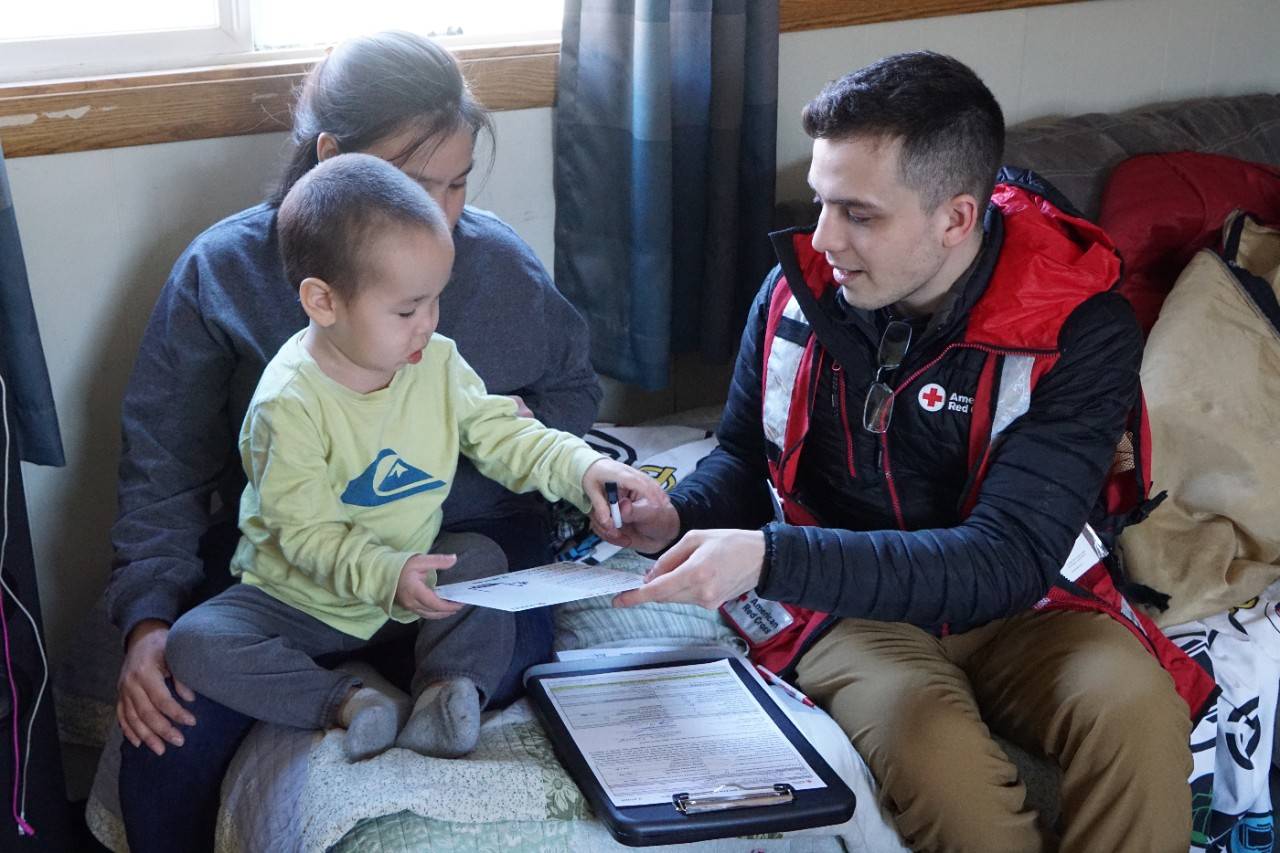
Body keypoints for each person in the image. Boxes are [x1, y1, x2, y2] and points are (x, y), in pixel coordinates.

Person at [605, 52, 1211, 853]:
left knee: (1136, 708)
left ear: (956, 218)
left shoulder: (1077, 330)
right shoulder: (799, 287)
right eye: (823, 202)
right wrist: (677, 510)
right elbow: (746, 455)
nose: (822, 239)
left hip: (1019, 601)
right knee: (935, 752)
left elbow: (1009, 558)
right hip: (846, 597)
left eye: (858, 214)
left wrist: (769, 557)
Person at [106, 31, 601, 852]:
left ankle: (424, 682)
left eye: (457, 183)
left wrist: (511, 442)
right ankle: (344, 688)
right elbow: (163, 464)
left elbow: (571, 395)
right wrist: (148, 619)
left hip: (455, 549)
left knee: (511, 660)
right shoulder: (222, 273)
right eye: (412, 183)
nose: (440, 213)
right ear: (329, 158)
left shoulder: (494, 266)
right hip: (300, 569)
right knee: (166, 745)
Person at [162, 153, 663, 765]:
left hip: (414, 584)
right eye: (405, 310)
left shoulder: (438, 361)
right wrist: (386, 573)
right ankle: (347, 701)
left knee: (483, 560)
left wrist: (583, 467)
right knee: (196, 643)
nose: (426, 325)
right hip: (299, 596)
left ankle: (447, 691)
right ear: (323, 302)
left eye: (434, 303)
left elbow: (503, 432)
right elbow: (304, 534)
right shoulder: (287, 404)